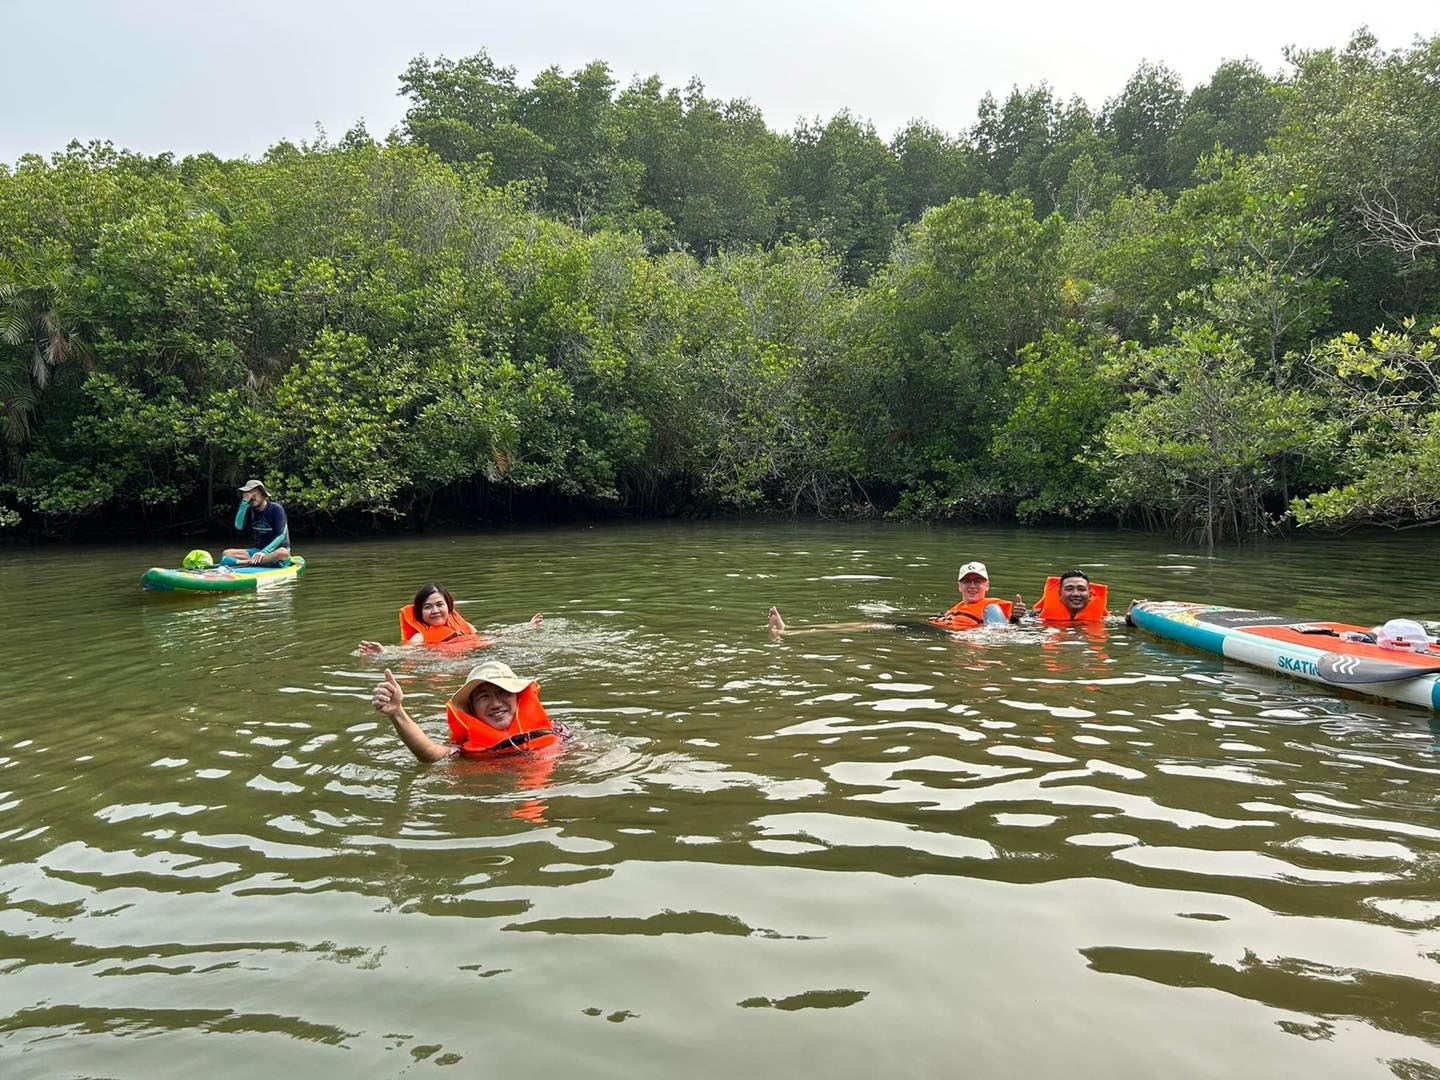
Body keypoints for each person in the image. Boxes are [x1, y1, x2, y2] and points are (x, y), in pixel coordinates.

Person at [370, 660, 566, 762]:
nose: (496, 704)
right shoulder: (464, 749)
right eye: (484, 697)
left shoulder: (557, 730)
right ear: (471, 708)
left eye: (503, 692)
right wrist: (397, 713)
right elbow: (428, 754)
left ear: (517, 696)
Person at [359, 583, 543, 655]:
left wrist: (526, 627)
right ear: (419, 612)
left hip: (479, 652)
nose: (435, 610)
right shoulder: (420, 637)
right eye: (427, 607)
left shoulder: (463, 625)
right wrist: (383, 652)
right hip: (443, 664)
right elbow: (404, 652)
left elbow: (492, 635)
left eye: (440, 605)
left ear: (449, 607)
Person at [929, 561, 1026, 629]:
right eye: (967, 581)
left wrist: (1015, 619)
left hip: (973, 641)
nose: (972, 586)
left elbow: (1000, 634)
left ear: (987, 586)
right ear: (959, 586)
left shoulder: (992, 609)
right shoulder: (954, 609)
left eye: (977, 581)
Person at [221, 480, 290, 567]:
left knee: (283, 553)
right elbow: (238, 526)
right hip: (258, 551)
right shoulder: (250, 509)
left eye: (254, 493)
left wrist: (264, 552)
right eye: (248, 494)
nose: (251, 497)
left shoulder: (276, 509)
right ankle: (257, 562)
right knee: (226, 553)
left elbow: (281, 535)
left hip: (275, 552)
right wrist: (244, 503)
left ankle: (245, 562)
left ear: (263, 494)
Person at [1027, 569, 1110, 624]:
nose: (1076, 594)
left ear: (1090, 594)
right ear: (1059, 593)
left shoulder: (1105, 619)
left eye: (1081, 589)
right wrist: (1015, 618)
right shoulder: (1036, 615)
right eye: (1069, 589)